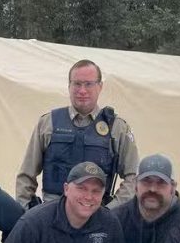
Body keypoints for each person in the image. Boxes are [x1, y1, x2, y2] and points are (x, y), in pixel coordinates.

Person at [15, 59, 138, 209]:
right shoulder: (48, 123)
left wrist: (112, 210)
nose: (82, 90)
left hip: (96, 216)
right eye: (77, 84)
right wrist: (27, 211)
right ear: (69, 86)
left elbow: (133, 177)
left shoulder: (117, 128)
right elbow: (26, 176)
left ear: (100, 87)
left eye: (88, 84)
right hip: (52, 216)